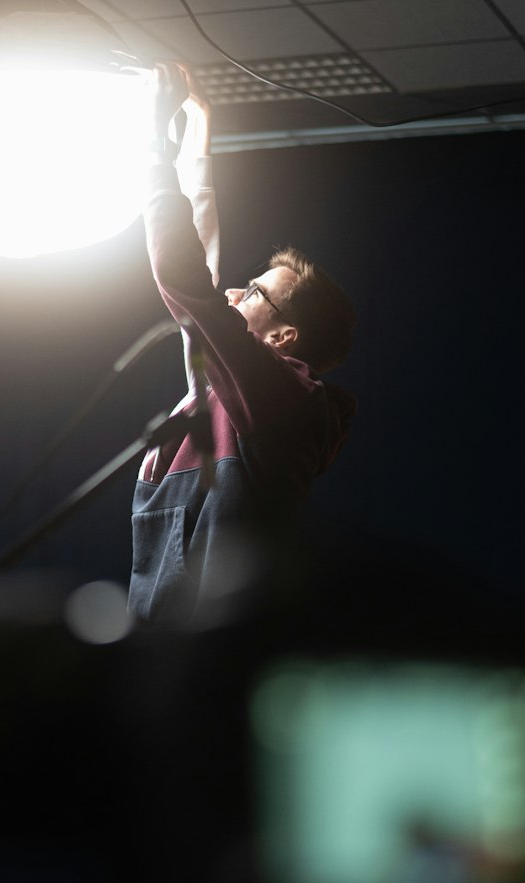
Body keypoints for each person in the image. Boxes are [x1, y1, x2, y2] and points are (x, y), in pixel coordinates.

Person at [128, 61, 357, 630]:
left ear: (282, 338)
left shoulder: (282, 398)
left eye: (254, 291)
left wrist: (156, 142)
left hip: (206, 666)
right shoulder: (223, 393)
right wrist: (197, 125)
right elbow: (199, 265)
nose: (234, 288)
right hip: (162, 656)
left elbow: (186, 280)